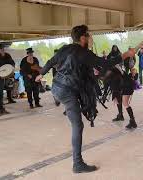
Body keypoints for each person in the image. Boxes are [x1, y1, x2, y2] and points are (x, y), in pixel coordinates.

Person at [36, 25, 135, 173]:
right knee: (78, 125)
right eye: (88, 36)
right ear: (82, 38)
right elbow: (104, 63)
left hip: (57, 87)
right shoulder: (83, 53)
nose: (90, 38)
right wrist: (125, 55)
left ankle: (77, 160)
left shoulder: (65, 48)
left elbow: (51, 62)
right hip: (67, 91)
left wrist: (41, 74)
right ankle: (77, 163)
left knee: (77, 110)